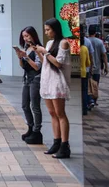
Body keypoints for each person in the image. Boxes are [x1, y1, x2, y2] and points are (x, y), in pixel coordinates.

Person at [34, 18, 71, 159]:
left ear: (55, 29)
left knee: (60, 113)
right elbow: (46, 63)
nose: (46, 32)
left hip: (57, 82)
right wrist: (39, 53)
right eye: (45, 30)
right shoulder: (50, 43)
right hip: (47, 81)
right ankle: (56, 142)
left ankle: (64, 144)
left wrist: (45, 52)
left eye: (48, 29)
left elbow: (58, 64)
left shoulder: (64, 43)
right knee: (52, 113)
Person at [15, 26, 43, 145]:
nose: (25, 38)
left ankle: (37, 131)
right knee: (25, 105)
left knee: (35, 106)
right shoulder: (26, 47)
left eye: (27, 36)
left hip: (36, 79)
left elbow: (37, 66)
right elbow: (23, 66)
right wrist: (20, 58)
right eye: (23, 36)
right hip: (27, 78)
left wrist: (26, 57)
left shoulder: (38, 49)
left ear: (33, 35)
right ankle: (30, 128)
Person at [88, 25, 109, 105]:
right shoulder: (99, 42)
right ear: (95, 32)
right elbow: (104, 54)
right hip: (97, 68)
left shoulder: (86, 41)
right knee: (96, 84)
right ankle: (94, 99)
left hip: (88, 67)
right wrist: (106, 66)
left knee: (88, 85)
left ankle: (90, 100)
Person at [80, 34, 92, 116]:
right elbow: (88, 63)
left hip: (74, 74)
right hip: (84, 72)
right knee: (84, 91)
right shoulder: (84, 48)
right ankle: (84, 109)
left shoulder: (73, 48)